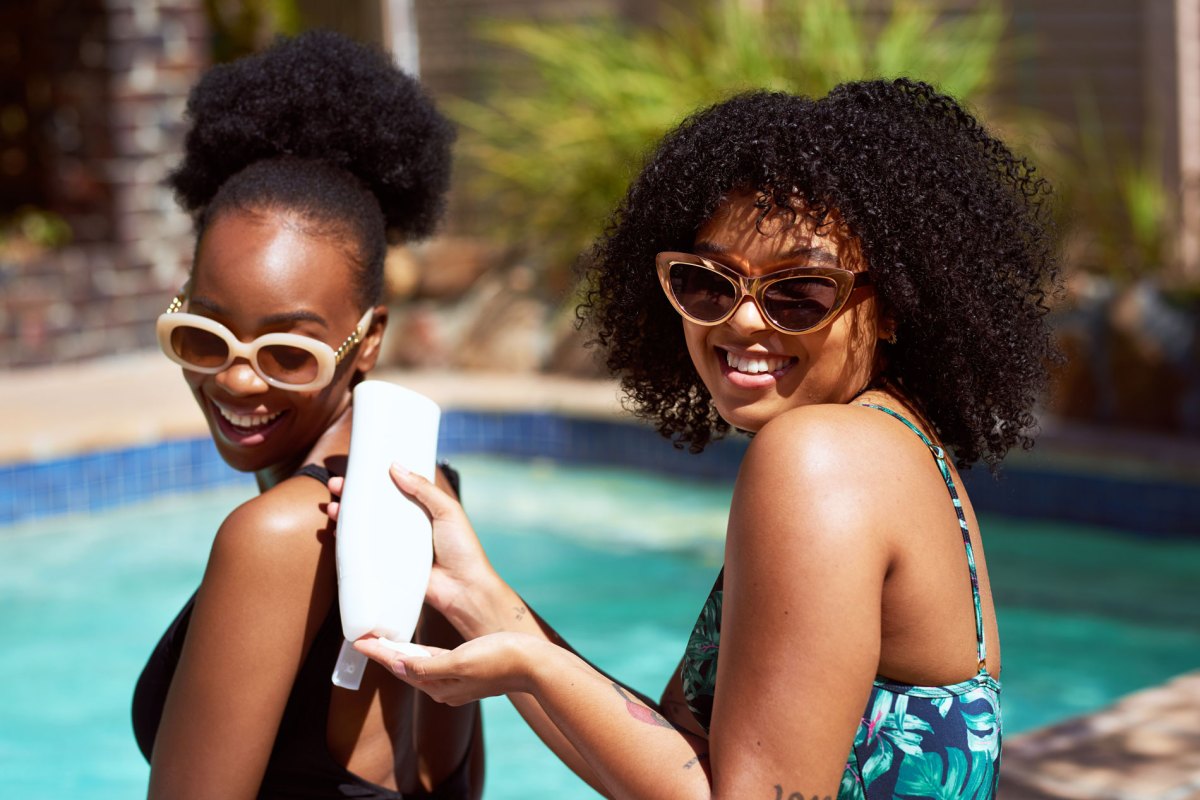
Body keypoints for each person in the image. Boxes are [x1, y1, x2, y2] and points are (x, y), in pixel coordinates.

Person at [336, 79, 1059, 799]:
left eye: (798, 292)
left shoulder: (820, 459)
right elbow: (673, 766)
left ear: (895, 304)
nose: (743, 321)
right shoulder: (892, 443)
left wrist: (536, 666)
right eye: (708, 283)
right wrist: (485, 599)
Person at [131, 31, 482, 800]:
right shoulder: (431, 484)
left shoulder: (279, 536)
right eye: (204, 335)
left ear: (369, 341)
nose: (236, 379)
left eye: (290, 351)